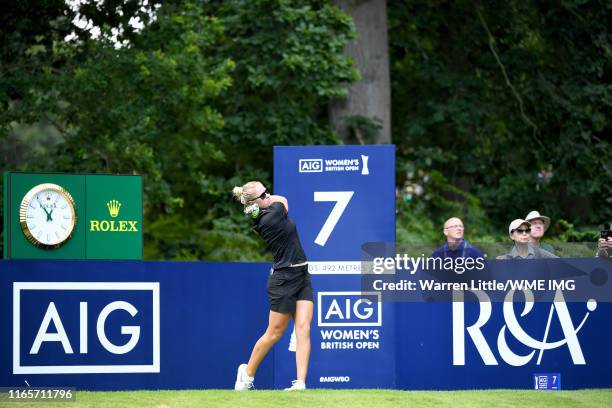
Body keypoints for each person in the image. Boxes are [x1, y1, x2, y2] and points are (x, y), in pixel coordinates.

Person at [232, 181, 313, 391]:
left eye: (267, 191)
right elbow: (283, 199)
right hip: (283, 280)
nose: (268, 195)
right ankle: (246, 375)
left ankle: (300, 384)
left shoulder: (263, 212)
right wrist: (265, 202)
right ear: (253, 203)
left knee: (303, 329)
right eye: (263, 194)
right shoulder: (269, 217)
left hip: (302, 274)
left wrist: (259, 202)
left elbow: (274, 201)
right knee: (275, 333)